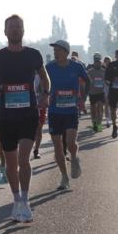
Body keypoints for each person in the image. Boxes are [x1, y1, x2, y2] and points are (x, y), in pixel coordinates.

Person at [0, 14, 49, 222]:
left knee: (23, 159)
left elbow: (45, 77)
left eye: (18, 27)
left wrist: (46, 95)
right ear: (5, 31)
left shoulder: (33, 55)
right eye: (11, 27)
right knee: (11, 164)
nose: (15, 30)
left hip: (28, 114)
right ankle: (16, 200)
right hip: (6, 117)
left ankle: (26, 201)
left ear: (24, 30)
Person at [46, 39, 86, 190]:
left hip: (70, 111)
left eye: (58, 51)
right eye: (54, 51)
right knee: (58, 146)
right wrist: (44, 95)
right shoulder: (49, 67)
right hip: (54, 112)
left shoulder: (77, 67)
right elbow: (41, 81)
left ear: (66, 52)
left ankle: (74, 158)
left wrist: (83, 99)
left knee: (70, 143)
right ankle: (64, 177)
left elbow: (87, 81)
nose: (55, 53)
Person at [86, 53, 108, 132]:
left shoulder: (104, 71)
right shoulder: (90, 71)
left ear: (101, 62)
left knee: (100, 108)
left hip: (101, 92)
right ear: (94, 62)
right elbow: (89, 80)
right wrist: (92, 81)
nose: (97, 63)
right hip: (93, 93)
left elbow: (106, 81)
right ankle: (94, 124)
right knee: (93, 110)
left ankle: (99, 125)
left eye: (99, 61)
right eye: (96, 61)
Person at [102, 56, 113, 128]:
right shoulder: (102, 70)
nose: (107, 63)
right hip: (105, 88)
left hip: (113, 89)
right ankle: (107, 120)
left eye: (108, 61)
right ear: (104, 62)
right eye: (106, 61)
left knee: (112, 105)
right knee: (106, 104)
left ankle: (112, 117)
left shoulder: (114, 69)